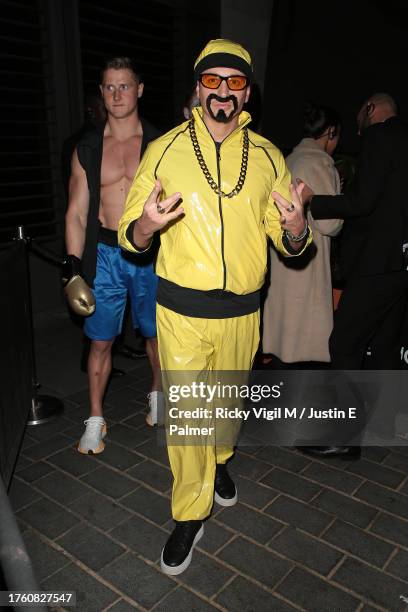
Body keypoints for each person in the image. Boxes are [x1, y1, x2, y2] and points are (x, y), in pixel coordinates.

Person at [118, 39, 312, 574]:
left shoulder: (270, 156)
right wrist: (146, 227)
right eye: (212, 81)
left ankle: (221, 460)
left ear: (247, 91)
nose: (222, 92)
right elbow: (129, 235)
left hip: (243, 313)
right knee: (188, 418)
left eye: (233, 82)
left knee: (223, 412)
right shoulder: (163, 150)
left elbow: (289, 242)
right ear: (197, 88)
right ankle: (189, 512)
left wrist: (296, 228)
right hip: (180, 312)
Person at [274, 92, 408, 457]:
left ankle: (344, 438)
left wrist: (313, 200)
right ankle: (380, 424)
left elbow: (363, 202)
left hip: (377, 264)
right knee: (384, 347)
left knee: (344, 344)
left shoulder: (381, 135)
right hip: (401, 264)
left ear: (370, 110)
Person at [64, 57, 163, 454]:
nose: (117, 94)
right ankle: (95, 418)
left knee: (157, 335)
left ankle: (158, 393)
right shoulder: (87, 147)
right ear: (101, 93)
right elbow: (76, 211)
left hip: (151, 253)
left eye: (124, 86)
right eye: (109, 87)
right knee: (100, 341)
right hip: (105, 254)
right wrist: (72, 270)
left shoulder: (160, 143)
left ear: (139, 89)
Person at [263, 102, 343, 365]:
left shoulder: (290, 159)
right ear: (330, 132)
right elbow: (331, 224)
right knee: (306, 352)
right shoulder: (320, 163)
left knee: (285, 343)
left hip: (285, 262)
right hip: (308, 267)